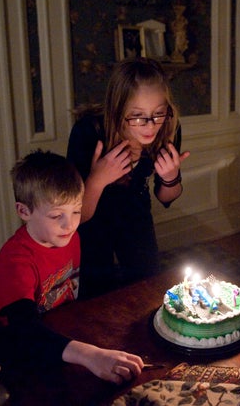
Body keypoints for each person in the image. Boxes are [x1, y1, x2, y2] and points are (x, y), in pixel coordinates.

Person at [0, 150, 144, 383]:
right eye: (56, 216)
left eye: (76, 211)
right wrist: (90, 354)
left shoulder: (69, 237)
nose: (70, 224)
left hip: (61, 330)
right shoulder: (15, 262)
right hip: (22, 347)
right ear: (24, 211)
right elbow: (24, 330)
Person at [67, 57, 189, 299]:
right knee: (96, 297)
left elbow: (167, 197)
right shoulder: (89, 133)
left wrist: (170, 178)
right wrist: (98, 180)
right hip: (92, 228)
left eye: (158, 113)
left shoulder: (168, 128)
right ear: (117, 109)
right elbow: (76, 217)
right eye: (137, 116)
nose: (150, 125)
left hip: (137, 220)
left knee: (146, 290)